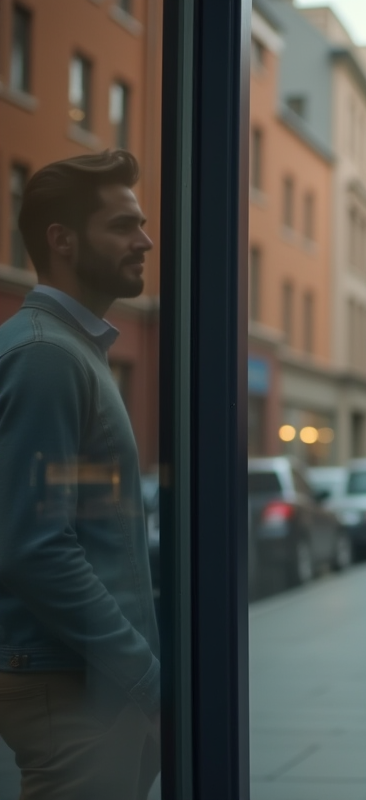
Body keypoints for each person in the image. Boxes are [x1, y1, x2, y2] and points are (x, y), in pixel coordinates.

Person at [0, 151, 161, 798]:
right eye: (123, 226)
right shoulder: (45, 357)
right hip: (72, 683)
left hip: (87, 678)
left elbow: (82, 522)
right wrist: (141, 674)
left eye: (142, 223)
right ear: (61, 241)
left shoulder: (68, 350)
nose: (145, 239)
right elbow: (36, 548)